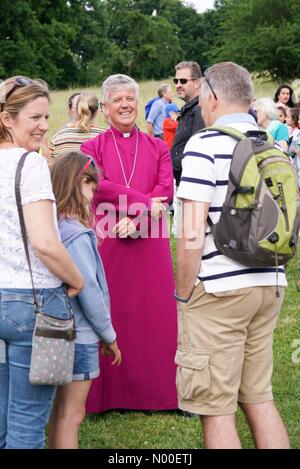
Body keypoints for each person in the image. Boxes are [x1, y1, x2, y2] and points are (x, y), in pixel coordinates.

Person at [175, 62, 290, 449]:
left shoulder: (204, 145)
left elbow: (191, 230)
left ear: (211, 97)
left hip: (219, 291)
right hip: (270, 281)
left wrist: (184, 293)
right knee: (259, 398)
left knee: (216, 407)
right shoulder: (273, 146)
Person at [81, 74, 178, 413]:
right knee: (113, 311)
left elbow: (164, 193)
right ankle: (110, 397)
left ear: (138, 103)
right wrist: (141, 202)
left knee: (153, 317)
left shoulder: (157, 147)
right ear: (105, 108)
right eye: (117, 100)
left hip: (149, 242)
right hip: (109, 241)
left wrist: (137, 218)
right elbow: (98, 187)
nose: (125, 105)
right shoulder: (91, 148)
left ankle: (158, 395)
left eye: (130, 99)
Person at [0, 76, 84, 449]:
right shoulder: (30, 165)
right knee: (27, 428)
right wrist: (76, 278)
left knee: (3, 422)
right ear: (7, 118)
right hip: (33, 305)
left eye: (46, 117)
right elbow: (46, 242)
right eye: (34, 117)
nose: (43, 126)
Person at [47, 152, 121, 448]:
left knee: (57, 414)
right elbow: (89, 289)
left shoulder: (54, 229)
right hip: (81, 336)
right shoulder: (76, 235)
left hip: (57, 332)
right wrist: (109, 335)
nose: (93, 196)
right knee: (72, 416)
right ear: (79, 184)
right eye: (91, 187)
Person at [171, 61, 205, 236]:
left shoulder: (200, 110)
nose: (178, 85)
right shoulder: (188, 109)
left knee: (192, 241)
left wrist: (169, 164)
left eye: (183, 81)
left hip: (195, 186)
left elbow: (197, 149)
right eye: (175, 81)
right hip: (183, 183)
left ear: (197, 82)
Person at [49, 93, 105, 159]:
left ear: (76, 110)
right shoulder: (106, 137)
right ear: (96, 112)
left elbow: (51, 165)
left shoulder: (58, 137)